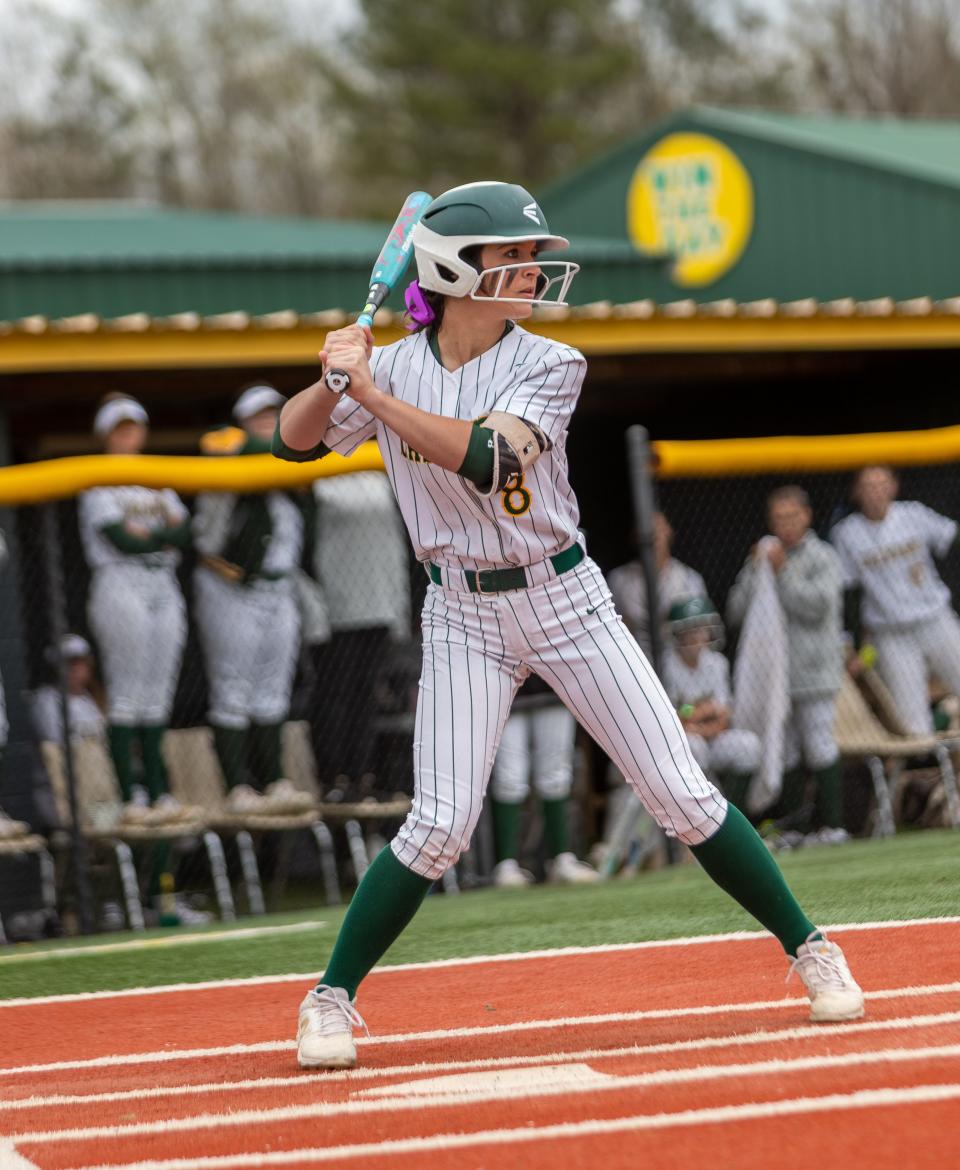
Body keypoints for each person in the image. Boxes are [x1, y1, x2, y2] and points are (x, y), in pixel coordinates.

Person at [273, 181, 863, 1069]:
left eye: (526, 256)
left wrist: (373, 393)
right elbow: (291, 439)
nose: (530, 270)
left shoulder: (551, 363)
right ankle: (329, 1000)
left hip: (565, 598)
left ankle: (811, 948)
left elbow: (484, 456)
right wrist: (332, 378)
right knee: (437, 824)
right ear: (453, 268)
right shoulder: (390, 364)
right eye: (508, 258)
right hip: (459, 608)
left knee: (681, 793)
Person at [193, 384, 313, 815]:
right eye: (258, 415)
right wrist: (289, 439)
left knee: (273, 688)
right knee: (232, 687)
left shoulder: (285, 460)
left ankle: (275, 780)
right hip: (229, 586)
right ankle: (238, 786)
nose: (267, 421)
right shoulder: (227, 443)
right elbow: (228, 445)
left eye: (273, 413)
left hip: (278, 588)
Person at [78, 394, 192, 824]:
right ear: (105, 434)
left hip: (162, 579)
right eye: (119, 428)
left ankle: (158, 792)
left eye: (133, 426)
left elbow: (187, 531)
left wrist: (152, 535)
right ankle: (131, 795)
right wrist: (160, 535)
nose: (128, 435)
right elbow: (121, 540)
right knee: (127, 693)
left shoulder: (156, 477)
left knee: (158, 692)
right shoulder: (98, 478)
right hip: (118, 580)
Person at [728, 486, 846, 845]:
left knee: (819, 745)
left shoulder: (822, 556)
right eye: (779, 518)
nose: (786, 525)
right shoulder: (764, 556)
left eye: (792, 516)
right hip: (774, 679)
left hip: (814, 673)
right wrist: (757, 571)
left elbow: (818, 607)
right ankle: (798, 829)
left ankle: (835, 826)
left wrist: (783, 574)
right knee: (789, 751)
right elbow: (735, 610)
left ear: (807, 517)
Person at [831, 465, 960, 735]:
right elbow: (850, 593)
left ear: (893, 486)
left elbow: (951, 537)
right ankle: (945, 722)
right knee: (913, 725)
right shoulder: (847, 532)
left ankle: (948, 712)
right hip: (890, 634)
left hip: (935, 618)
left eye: (881, 484)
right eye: (868, 485)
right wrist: (856, 643)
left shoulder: (914, 513)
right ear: (856, 492)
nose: (876, 492)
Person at [310, 467, 411, 798]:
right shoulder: (318, 477)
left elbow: (397, 544)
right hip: (336, 608)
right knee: (334, 693)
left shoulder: (380, 474)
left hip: (379, 604)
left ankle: (360, 773)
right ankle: (332, 776)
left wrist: (400, 607)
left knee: (365, 694)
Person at [489, 676, 597, 886]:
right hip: (503, 682)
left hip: (551, 681)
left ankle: (561, 859)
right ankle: (505, 866)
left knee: (556, 774)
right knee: (509, 776)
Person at [661, 597, 761, 813]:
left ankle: (737, 812)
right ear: (678, 634)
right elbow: (675, 717)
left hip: (710, 734)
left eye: (701, 629)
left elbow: (724, 715)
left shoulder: (716, 663)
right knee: (694, 746)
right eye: (690, 630)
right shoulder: (667, 666)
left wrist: (697, 720)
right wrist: (703, 711)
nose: (698, 636)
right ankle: (706, 815)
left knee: (748, 746)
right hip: (683, 740)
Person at [607, 513, 707, 659]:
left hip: (677, 663)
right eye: (647, 530)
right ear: (635, 536)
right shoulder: (619, 579)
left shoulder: (689, 579)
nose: (653, 535)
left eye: (658, 529)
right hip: (633, 658)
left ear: (669, 532)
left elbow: (701, 632)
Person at [30, 633, 105, 746]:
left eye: (79, 662)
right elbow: (55, 741)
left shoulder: (92, 697)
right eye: (68, 663)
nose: (74, 669)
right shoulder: (46, 699)